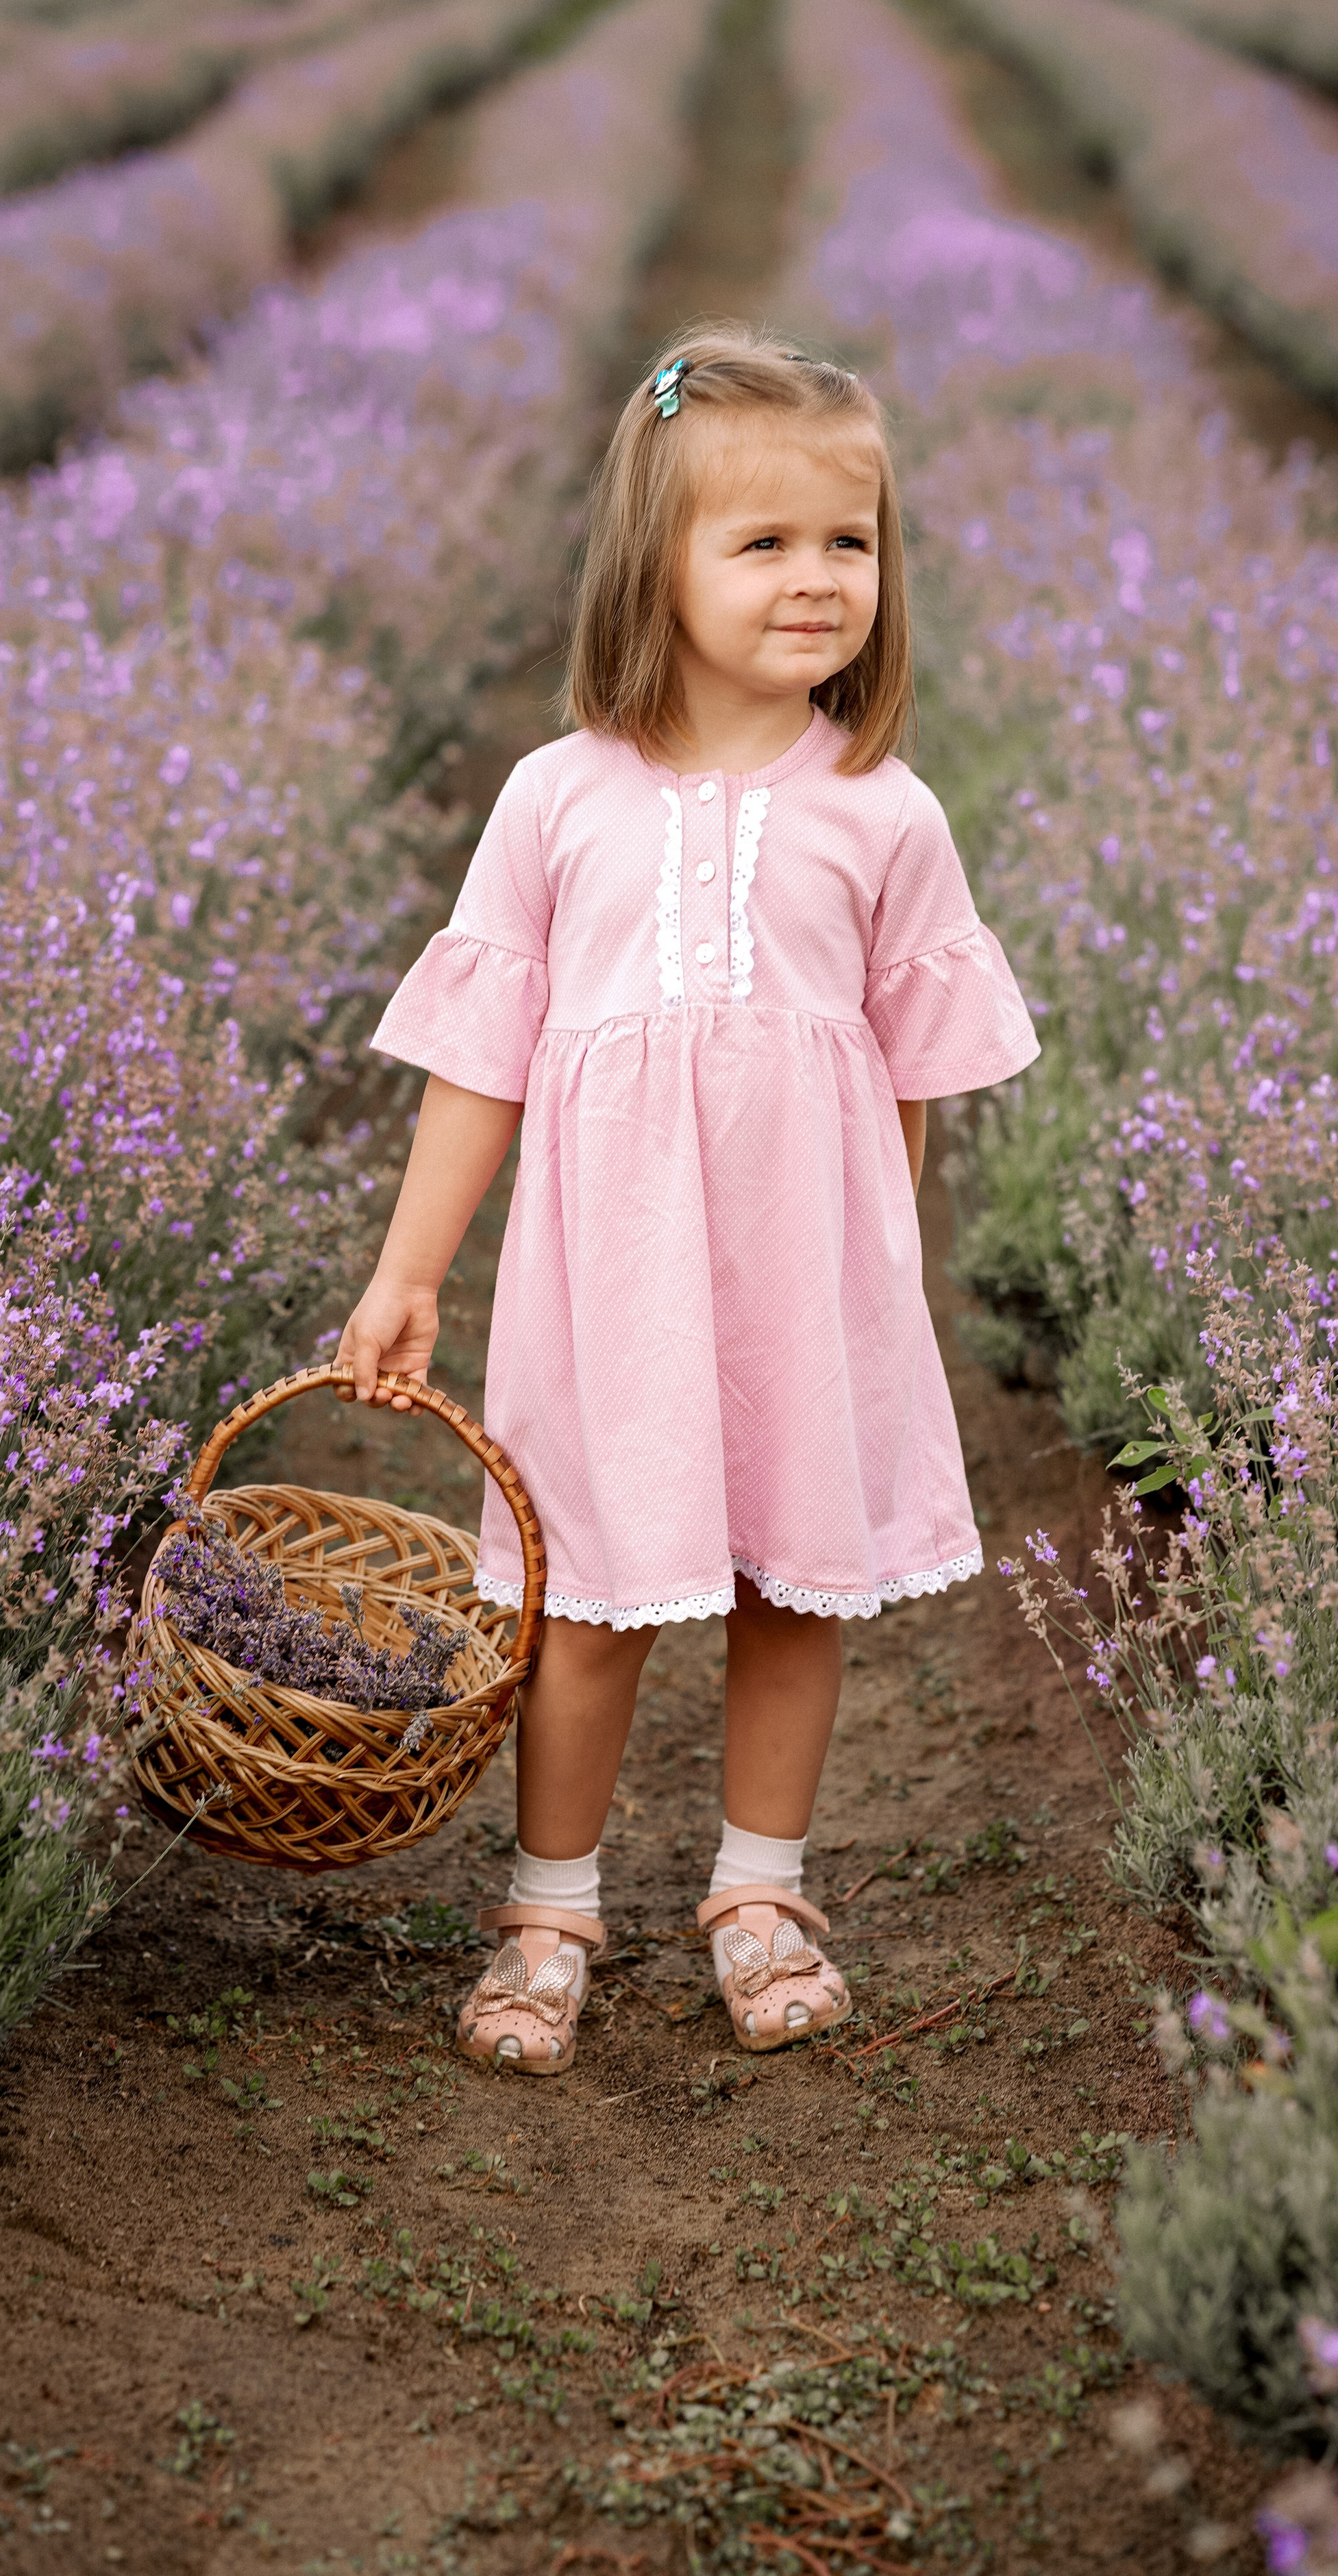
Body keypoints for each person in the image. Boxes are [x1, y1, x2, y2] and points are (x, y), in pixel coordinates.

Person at [336, 327, 1037, 2075]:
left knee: (795, 1591)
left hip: (807, 1285)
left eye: (848, 541)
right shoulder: (555, 800)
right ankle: (548, 1909)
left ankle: (758, 1891)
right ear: (655, 562)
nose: (816, 579)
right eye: (763, 542)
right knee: (584, 1596)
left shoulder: (883, 812)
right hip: (612, 1282)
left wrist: (877, 1286)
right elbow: (480, 1058)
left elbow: (906, 1084)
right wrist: (410, 1271)